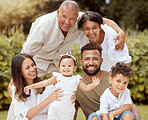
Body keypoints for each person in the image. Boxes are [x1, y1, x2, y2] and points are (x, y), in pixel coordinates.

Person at [22, 0, 125, 78]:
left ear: (77, 16)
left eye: (72, 18)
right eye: (64, 17)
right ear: (58, 13)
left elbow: (103, 21)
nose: (67, 22)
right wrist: (16, 79)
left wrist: (120, 32)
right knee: (27, 86)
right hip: (40, 58)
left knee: (68, 89)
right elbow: (26, 55)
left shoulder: (81, 19)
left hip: (61, 60)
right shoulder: (43, 27)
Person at [23, 53, 100, 120]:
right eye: (63, 66)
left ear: (74, 68)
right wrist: (31, 86)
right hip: (56, 107)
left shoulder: (76, 79)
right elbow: (45, 83)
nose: (66, 68)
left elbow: (86, 88)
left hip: (68, 108)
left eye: (69, 66)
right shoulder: (58, 77)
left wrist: (94, 84)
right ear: (59, 68)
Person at [74, 43, 141, 120]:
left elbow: (130, 106)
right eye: (87, 59)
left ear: (101, 61)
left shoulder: (113, 78)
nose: (91, 62)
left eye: (95, 59)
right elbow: (73, 109)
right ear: (81, 62)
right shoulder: (76, 82)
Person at [7, 53, 64, 120]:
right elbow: (27, 115)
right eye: (27, 68)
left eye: (33, 65)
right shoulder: (15, 89)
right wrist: (48, 100)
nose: (32, 69)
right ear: (20, 72)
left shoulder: (48, 86)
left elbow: (58, 106)